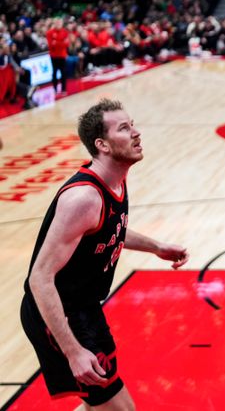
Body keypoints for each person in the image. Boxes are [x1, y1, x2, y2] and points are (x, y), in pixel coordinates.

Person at [20, 99, 189, 410]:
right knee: (121, 409)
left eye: (133, 124)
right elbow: (39, 278)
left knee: (97, 403)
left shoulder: (114, 181)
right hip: (57, 314)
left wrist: (156, 247)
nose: (137, 133)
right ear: (103, 145)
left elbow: (109, 229)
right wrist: (71, 350)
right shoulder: (83, 198)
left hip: (82, 307)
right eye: (124, 128)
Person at [46, 17, 70, 96]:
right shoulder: (49, 33)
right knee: (54, 73)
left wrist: (56, 42)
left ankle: (64, 89)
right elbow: (50, 45)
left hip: (62, 55)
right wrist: (61, 42)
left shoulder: (65, 32)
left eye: (60, 23)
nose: (58, 24)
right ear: (54, 24)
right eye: (57, 23)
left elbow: (67, 44)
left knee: (64, 73)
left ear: (62, 24)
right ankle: (55, 89)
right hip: (54, 56)